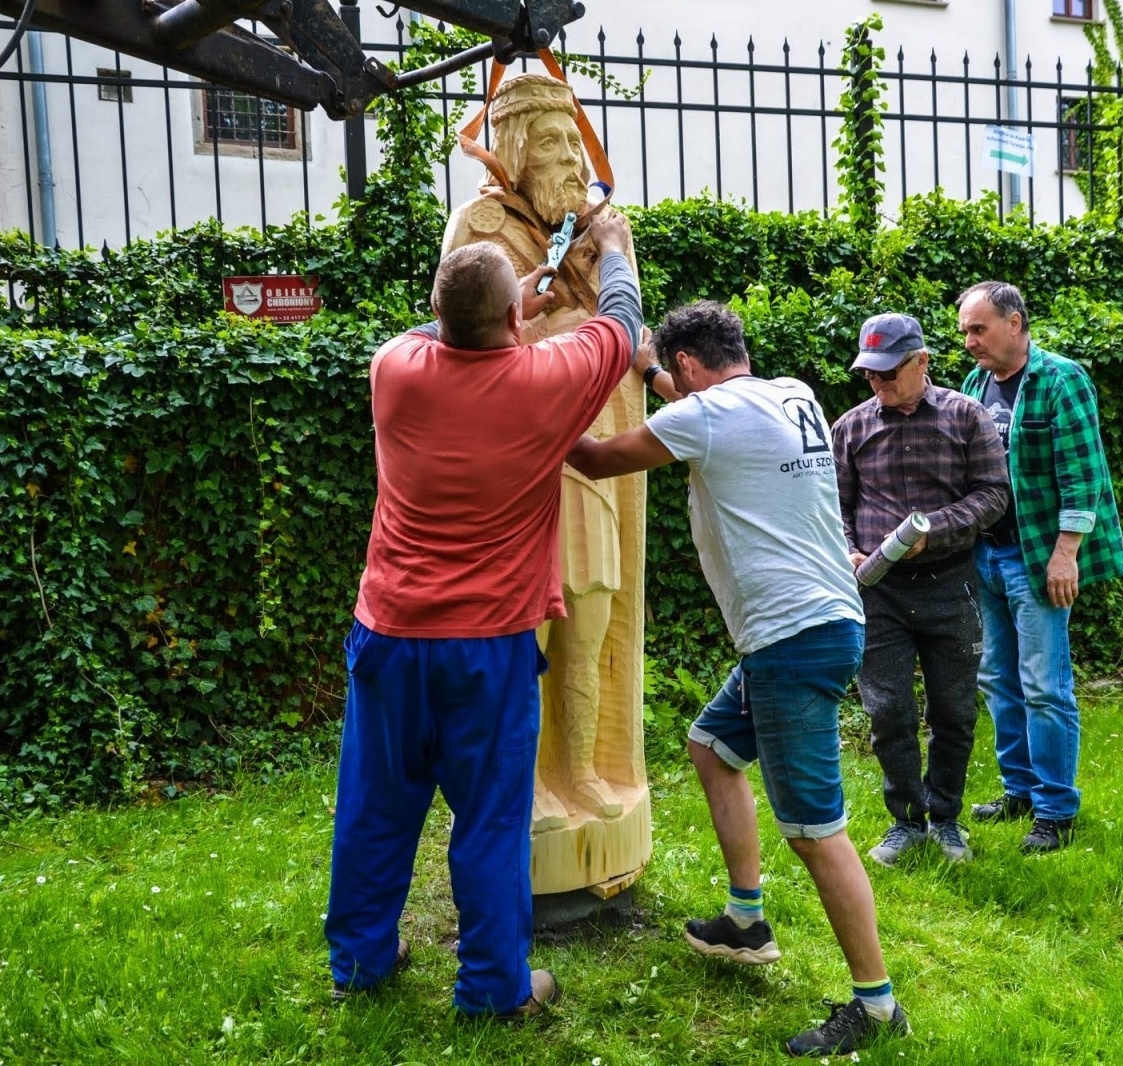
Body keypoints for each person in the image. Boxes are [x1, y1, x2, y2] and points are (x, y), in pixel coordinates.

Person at [567, 301, 909, 1058]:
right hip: (824, 622)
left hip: (790, 640)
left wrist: (530, 397)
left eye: (673, 373)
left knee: (816, 834)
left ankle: (878, 1006)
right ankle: (747, 922)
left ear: (690, 367)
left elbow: (592, 459)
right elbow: (701, 414)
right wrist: (651, 367)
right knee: (712, 747)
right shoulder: (792, 396)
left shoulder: (706, 417)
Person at [324, 211, 642, 1016]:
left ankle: (360, 961)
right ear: (512, 321)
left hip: (390, 635)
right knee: (493, 822)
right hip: (487, 650)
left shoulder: (393, 367)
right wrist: (613, 252)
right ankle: (496, 987)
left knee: (375, 807)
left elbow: (441, 325)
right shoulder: (542, 385)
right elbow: (620, 323)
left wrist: (510, 305)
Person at [444, 71, 645, 831]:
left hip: (588, 459)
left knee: (590, 619)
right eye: (554, 142)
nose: (570, 157)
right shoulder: (479, 226)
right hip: (518, 475)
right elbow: (465, 342)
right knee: (524, 634)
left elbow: (629, 339)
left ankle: (584, 770)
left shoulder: (597, 231)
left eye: (575, 140)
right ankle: (527, 783)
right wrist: (561, 327)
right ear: (518, 150)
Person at [831, 313, 1009, 867]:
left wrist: (931, 532)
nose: (878, 385)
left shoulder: (966, 417)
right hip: (877, 590)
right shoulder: (851, 427)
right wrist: (849, 550)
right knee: (888, 712)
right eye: (870, 375)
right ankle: (905, 821)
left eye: (888, 373)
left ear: (922, 362)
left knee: (954, 710)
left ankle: (947, 820)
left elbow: (993, 496)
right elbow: (830, 509)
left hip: (949, 583)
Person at [955, 281, 1123, 854]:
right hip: (987, 554)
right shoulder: (976, 385)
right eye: (965, 332)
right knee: (998, 678)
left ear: (1015, 322)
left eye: (978, 329)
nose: (970, 342)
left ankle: (1055, 809)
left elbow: (1085, 475)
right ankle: (1020, 790)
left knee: (1044, 686)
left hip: (1036, 558)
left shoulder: (1061, 379)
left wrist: (1065, 552)